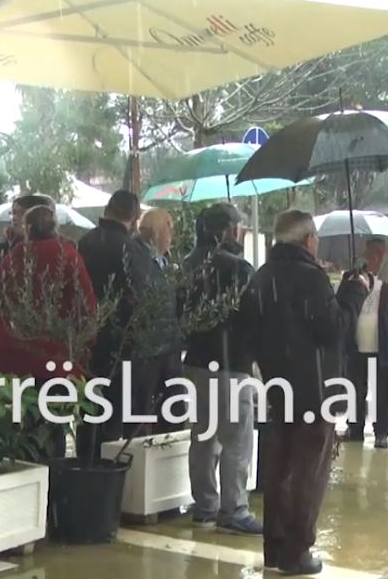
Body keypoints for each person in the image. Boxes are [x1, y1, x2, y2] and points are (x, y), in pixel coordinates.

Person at [246, 210, 368, 574]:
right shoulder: (311, 278)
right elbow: (333, 328)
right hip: (315, 392)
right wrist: (353, 293)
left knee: (279, 469)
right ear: (307, 240)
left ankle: (275, 548)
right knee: (308, 473)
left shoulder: (262, 277)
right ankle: (297, 551)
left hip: (278, 388)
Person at [0, 206, 97, 458]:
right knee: (54, 424)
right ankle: (54, 483)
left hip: (18, 356)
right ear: (55, 227)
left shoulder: (12, 258)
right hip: (58, 357)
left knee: (26, 423)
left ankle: (30, 479)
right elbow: (87, 307)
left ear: (27, 230)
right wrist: (84, 348)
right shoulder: (69, 256)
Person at [183, 203, 262, 536]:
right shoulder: (240, 269)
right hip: (232, 366)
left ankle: (205, 504)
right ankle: (234, 509)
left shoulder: (187, 266)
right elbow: (255, 316)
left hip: (197, 363)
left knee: (202, 436)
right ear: (230, 230)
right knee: (236, 440)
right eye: (240, 227)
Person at [76, 190, 153, 460]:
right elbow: (143, 297)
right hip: (121, 344)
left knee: (88, 410)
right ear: (133, 217)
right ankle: (106, 468)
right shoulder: (132, 249)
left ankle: (85, 462)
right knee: (114, 412)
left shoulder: (83, 243)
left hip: (86, 340)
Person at [340, 238, 388, 449]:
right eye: (373, 253)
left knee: (382, 393)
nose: (377, 258)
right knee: (355, 390)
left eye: (381, 253)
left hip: (382, 345)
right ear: (366, 254)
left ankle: (381, 432)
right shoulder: (352, 277)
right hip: (356, 346)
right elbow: (342, 305)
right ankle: (354, 428)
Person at [0, 194, 57, 339]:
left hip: (48, 338)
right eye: (13, 212)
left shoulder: (59, 253)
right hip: (4, 337)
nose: (14, 218)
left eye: (21, 213)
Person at [135, 208, 184, 435]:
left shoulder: (164, 261)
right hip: (148, 352)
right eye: (169, 227)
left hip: (168, 349)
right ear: (156, 232)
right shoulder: (138, 259)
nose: (171, 234)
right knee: (143, 414)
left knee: (173, 411)